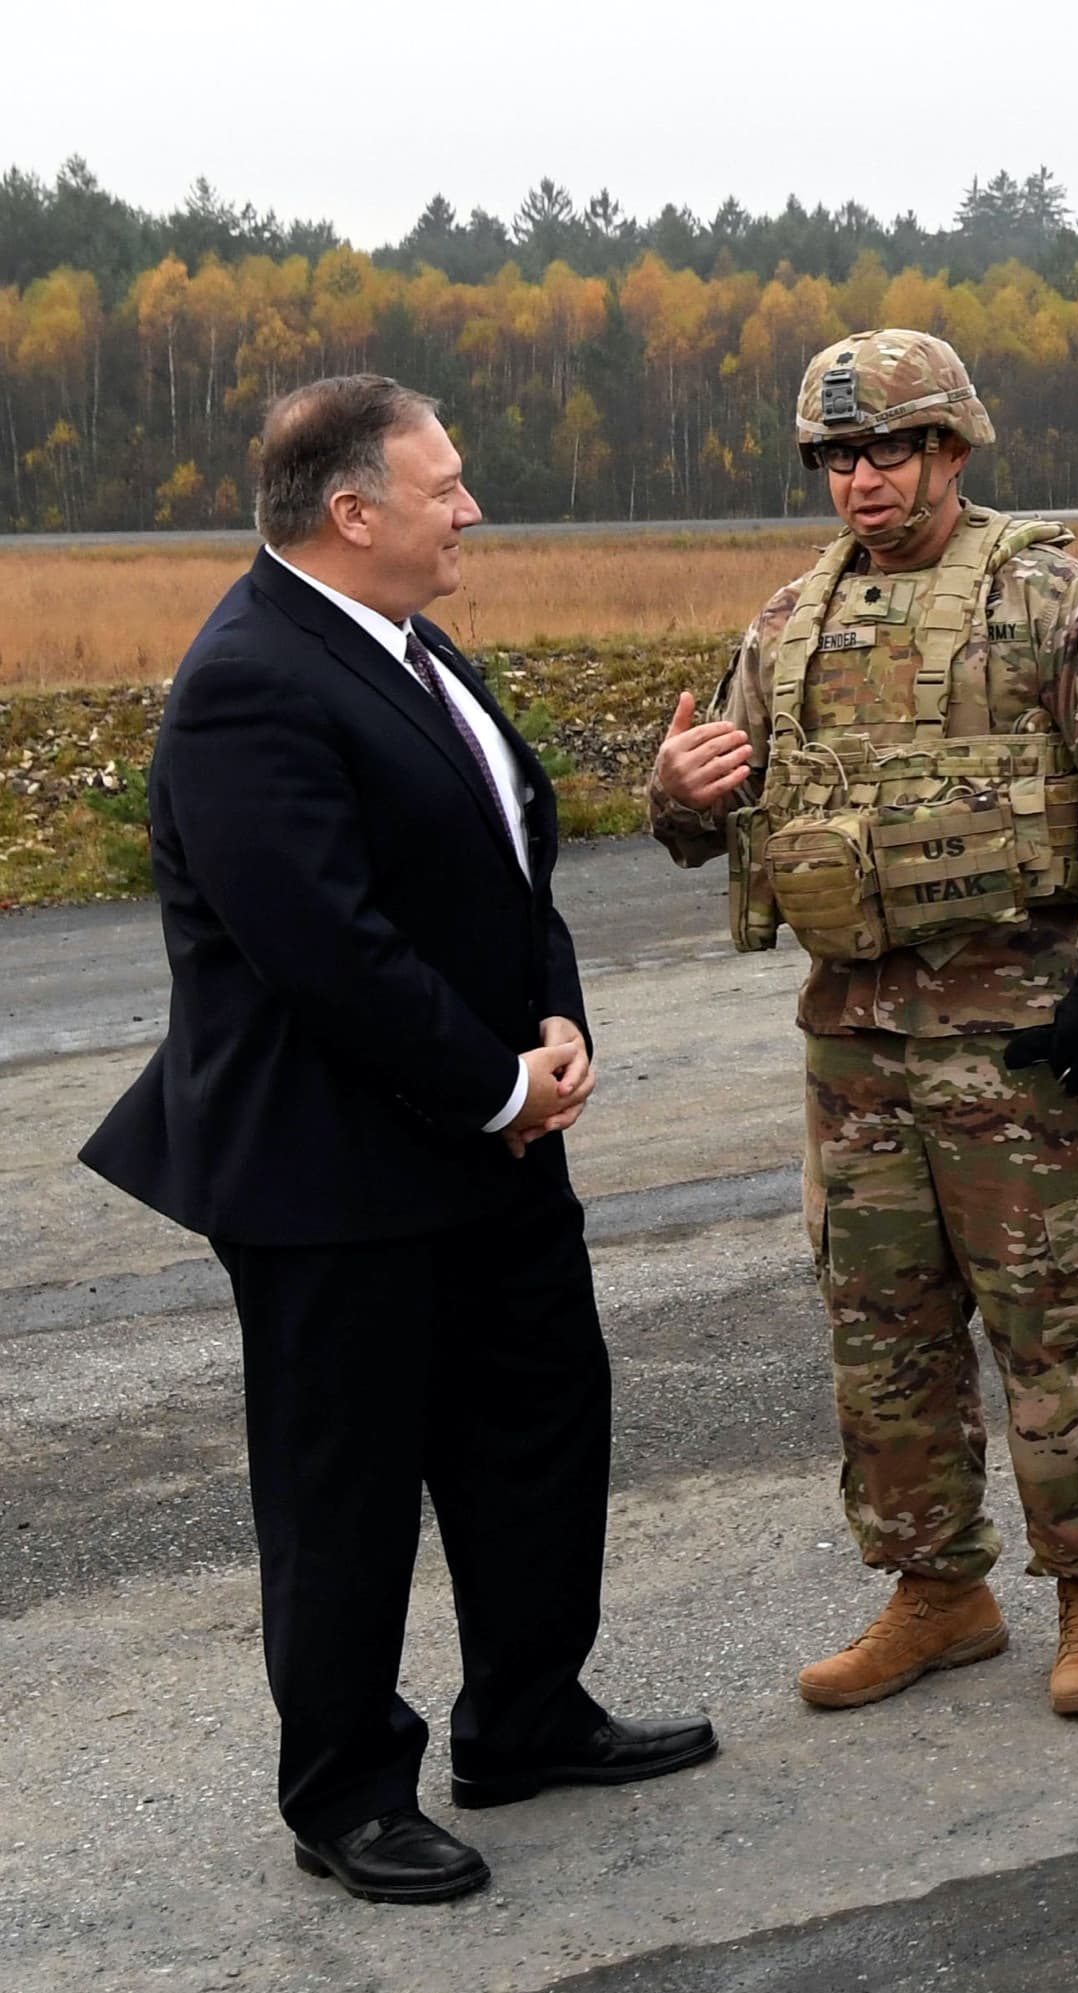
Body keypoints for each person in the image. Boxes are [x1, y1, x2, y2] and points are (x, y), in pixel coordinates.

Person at [82, 375, 715, 1904]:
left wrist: (553, 1026)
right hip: (331, 1171)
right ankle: (346, 1790)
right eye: (446, 486)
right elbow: (324, 948)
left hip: (489, 1139)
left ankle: (525, 1713)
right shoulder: (248, 680)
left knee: (538, 1431)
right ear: (352, 511)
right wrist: (499, 1088)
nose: (470, 509)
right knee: (345, 1491)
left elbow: (510, 875)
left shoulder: (412, 652)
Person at [646, 329, 1078, 1718]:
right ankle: (935, 1589)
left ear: (950, 448)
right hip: (857, 1040)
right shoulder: (785, 625)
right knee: (880, 1329)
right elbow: (703, 825)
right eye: (835, 457)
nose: (860, 480)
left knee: (1049, 1319)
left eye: (886, 448)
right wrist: (680, 795)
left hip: (1016, 1034)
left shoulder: (1057, 602)